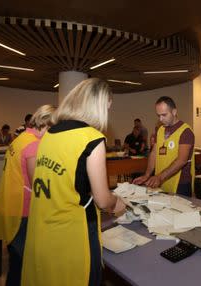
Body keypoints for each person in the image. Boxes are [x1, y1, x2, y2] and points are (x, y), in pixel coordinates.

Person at [21, 79, 126, 286]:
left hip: (44, 229)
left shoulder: (50, 133)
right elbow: (103, 200)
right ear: (97, 105)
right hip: (74, 232)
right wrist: (117, 202)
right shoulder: (92, 138)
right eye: (107, 106)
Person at [0, 104, 55, 286]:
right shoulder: (33, 145)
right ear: (46, 124)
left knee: (16, 261)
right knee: (21, 265)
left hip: (10, 203)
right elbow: (38, 184)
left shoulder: (21, 139)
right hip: (23, 209)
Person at [133, 96, 195, 196]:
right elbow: (154, 153)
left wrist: (160, 177)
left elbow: (182, 160)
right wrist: (147, 175)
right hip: (162, 181)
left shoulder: (186, 132)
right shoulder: (161, 130)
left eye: (164, 115)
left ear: (174, 112)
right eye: (158, 116)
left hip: (180, 184)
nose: (161, 119)